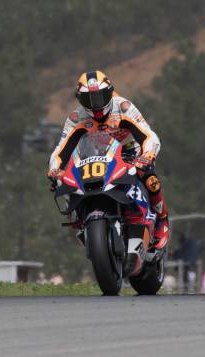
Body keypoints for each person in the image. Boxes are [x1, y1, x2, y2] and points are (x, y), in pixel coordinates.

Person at [47, 70, 169, 249]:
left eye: (100, 96)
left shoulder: (124, 107)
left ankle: (161, 219)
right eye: (89, 99)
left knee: (149, 177)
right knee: (64, 183)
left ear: (110, 92)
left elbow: (149, 135)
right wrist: (54, 169)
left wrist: (147, 156)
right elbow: (60, 150)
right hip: (94, 155)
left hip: (129, 149)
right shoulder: (76, 118)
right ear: (80, 100)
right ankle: (80, 220)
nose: (96, 104)